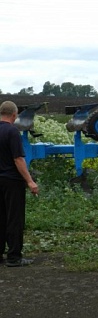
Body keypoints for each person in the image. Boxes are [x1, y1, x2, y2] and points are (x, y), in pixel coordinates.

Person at [0, 101, 39, 267]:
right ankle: (14, 257)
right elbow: (18, 159)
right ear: (14, 115)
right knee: (14, 218)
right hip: (12, 181)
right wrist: (30, 181)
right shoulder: (12, 132)